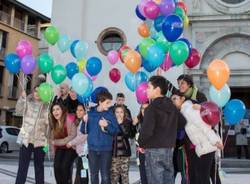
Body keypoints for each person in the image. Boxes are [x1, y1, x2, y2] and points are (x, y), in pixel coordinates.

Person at [138, 76, 186, 184]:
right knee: (168, 180)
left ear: (157, 89)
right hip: (169, 149)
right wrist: (169, 130)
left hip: (153, 149)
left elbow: (146, 131)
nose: (146, 90)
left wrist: (141, 142)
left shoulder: (152, 107)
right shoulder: (171, 106)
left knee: (155, 180)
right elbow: (182, 122)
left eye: (149, 87)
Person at [171, 91, 223, 184]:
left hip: (207, 146)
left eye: (175, 98)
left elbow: (204, 126)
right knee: (200, 177)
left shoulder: (189, 109)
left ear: (183, 98)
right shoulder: (183, 111)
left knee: (203, 178)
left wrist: (215, 140)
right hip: (201, 148)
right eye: (172, 100)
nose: (173, 101)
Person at [81, 91, 120, 184]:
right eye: (107, 102)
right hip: (92, 150)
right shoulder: (90, 113)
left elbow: (116, 131)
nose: (109, 105)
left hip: (106, 150)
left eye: (110, 102)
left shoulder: (110, 114)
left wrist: (107, 126)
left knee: (105, 176)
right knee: (93, 175)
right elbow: (84, 131)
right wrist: (84, 121)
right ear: (100, 102)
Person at [15, 86, 49, 184]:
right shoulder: (27, 103)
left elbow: (49, 125)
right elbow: (18, 110)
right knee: (22, 167)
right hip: (26, 140)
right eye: (35, 91)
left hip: (40, 141)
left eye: (40, 92)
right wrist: (22, 99)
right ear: (33, 92)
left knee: (39, 167)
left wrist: (47, 142)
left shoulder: (47, 106)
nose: (37, 93)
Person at [50, 102, 77, 184]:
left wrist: (55, 142)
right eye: (53, 110)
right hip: (60, 148)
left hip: (71, 147)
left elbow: (72, 136)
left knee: (64, 167)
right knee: (56, 167)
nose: (55, 112)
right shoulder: (54, 123)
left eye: (58, 109)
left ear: (62, 110)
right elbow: (50, 139)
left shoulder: (69, 119)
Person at [67, 104, 89, 184]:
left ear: (85, 111)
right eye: (77, 110)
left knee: (83, 172)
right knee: (82, 172)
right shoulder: (79, 121)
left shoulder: (85, 121)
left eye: (81, 110)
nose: (78, 112)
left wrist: (71, 143)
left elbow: (82, 137)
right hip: (80, 152)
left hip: (84, 153)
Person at [111, 105, 133, 184]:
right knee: (114, 177)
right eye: (117, 112)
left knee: (124, 176)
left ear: (124, 113)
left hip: (125, 153)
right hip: (114, 153)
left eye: (121, 112)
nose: (119, 114)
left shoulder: (127, 122)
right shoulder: (111, 122)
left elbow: (127, 134)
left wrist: (121, 124)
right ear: (114, 113)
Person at [133, 103, 149, 184]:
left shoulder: (154, 121)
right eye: (142, 108)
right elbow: (131, 135)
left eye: (147, 108)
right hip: (140, 153)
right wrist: (133, 124)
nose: (144, 110)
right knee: (143, 175)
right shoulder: (138, 121)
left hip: (151, 153)